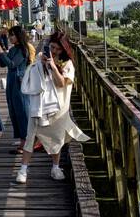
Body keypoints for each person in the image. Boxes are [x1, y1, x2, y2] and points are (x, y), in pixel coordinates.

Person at [16, 29, 88, 184]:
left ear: (63, 49)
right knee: (31, 136)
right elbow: (35, 76)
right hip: (39, 105)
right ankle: (23, 169)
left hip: (59, 107)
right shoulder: (42, 58)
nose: (54, 51)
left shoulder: (68, 64)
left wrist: (54, 67)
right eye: (52, 47)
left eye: (57, 49)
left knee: (57, 137)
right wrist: (41, 65)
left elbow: (61, 83)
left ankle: (55, 167)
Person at [0, 25, 34, 152]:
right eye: (9, 35)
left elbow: (12, 64)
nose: (10, 37)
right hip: (12, 83)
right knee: (14, 112)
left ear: (19, 36)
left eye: (12, 35)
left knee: (22, 111)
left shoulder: (23, 50)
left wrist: (1, 51)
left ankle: (27, 142)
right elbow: (2, 64)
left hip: (19, 82)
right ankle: (23, 142)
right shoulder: (13, 49)